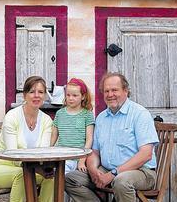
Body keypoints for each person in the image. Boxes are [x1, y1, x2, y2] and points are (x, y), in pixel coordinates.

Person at [65, 72, 159, 202]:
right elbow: (95, 152)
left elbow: (146, 154)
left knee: (121, 181)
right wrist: (93, 170)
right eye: (106, 91)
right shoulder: (102, 117)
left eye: (114, 90)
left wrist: (114, 173)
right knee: (70, 179)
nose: (110, 95)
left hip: (141, 172)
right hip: (106, 170)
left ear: (125, 91)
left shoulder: (140, 114)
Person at [0, 76, 54, 202]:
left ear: (45, 96)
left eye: (41, 92)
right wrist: (36, 169)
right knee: (23, 175)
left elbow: (43, 153)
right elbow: (13, 155)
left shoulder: (46, 121)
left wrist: (42, 168)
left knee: (51, 178)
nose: (36, 95)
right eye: (32, 92)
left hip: (29, 169)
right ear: (24, 95)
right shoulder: (12, 116)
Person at [50, 78, 95, 174]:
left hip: (77, 158)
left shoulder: (87, 114)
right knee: (56, 177)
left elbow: (89, 139)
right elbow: (54, 135)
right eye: (68, 95)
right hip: (60, 157)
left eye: (75, 95)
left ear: (83, 96)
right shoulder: (60, 113)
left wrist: (82, 161)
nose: (70, 98)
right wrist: (50, 151)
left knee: (66, 179)